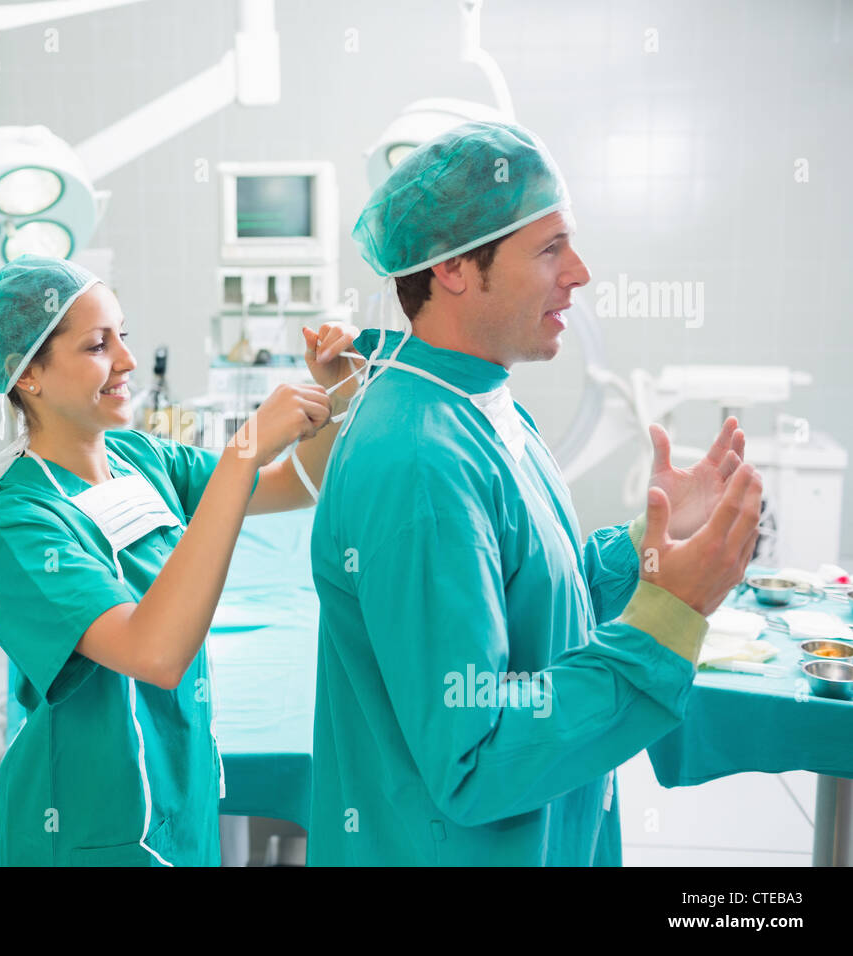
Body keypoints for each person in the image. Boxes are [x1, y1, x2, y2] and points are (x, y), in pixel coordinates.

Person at [306, 121, 762, 865]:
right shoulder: (419, 462)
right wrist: (668, 617)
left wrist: (648, 549)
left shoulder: (484, 403)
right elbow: (474, 759)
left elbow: (535, 602)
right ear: (454, 267)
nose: (580, 273)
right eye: (550, 248)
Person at [0, 255, 361, 866]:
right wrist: (241, 454)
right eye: (98, 345)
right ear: (29, 373)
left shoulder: (141, 457)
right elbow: (154, 653)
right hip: (89, 819)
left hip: (180, 781)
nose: (127, 360)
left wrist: (339, 393)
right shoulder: (16, 521)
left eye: (123, 335)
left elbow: (297, 485)